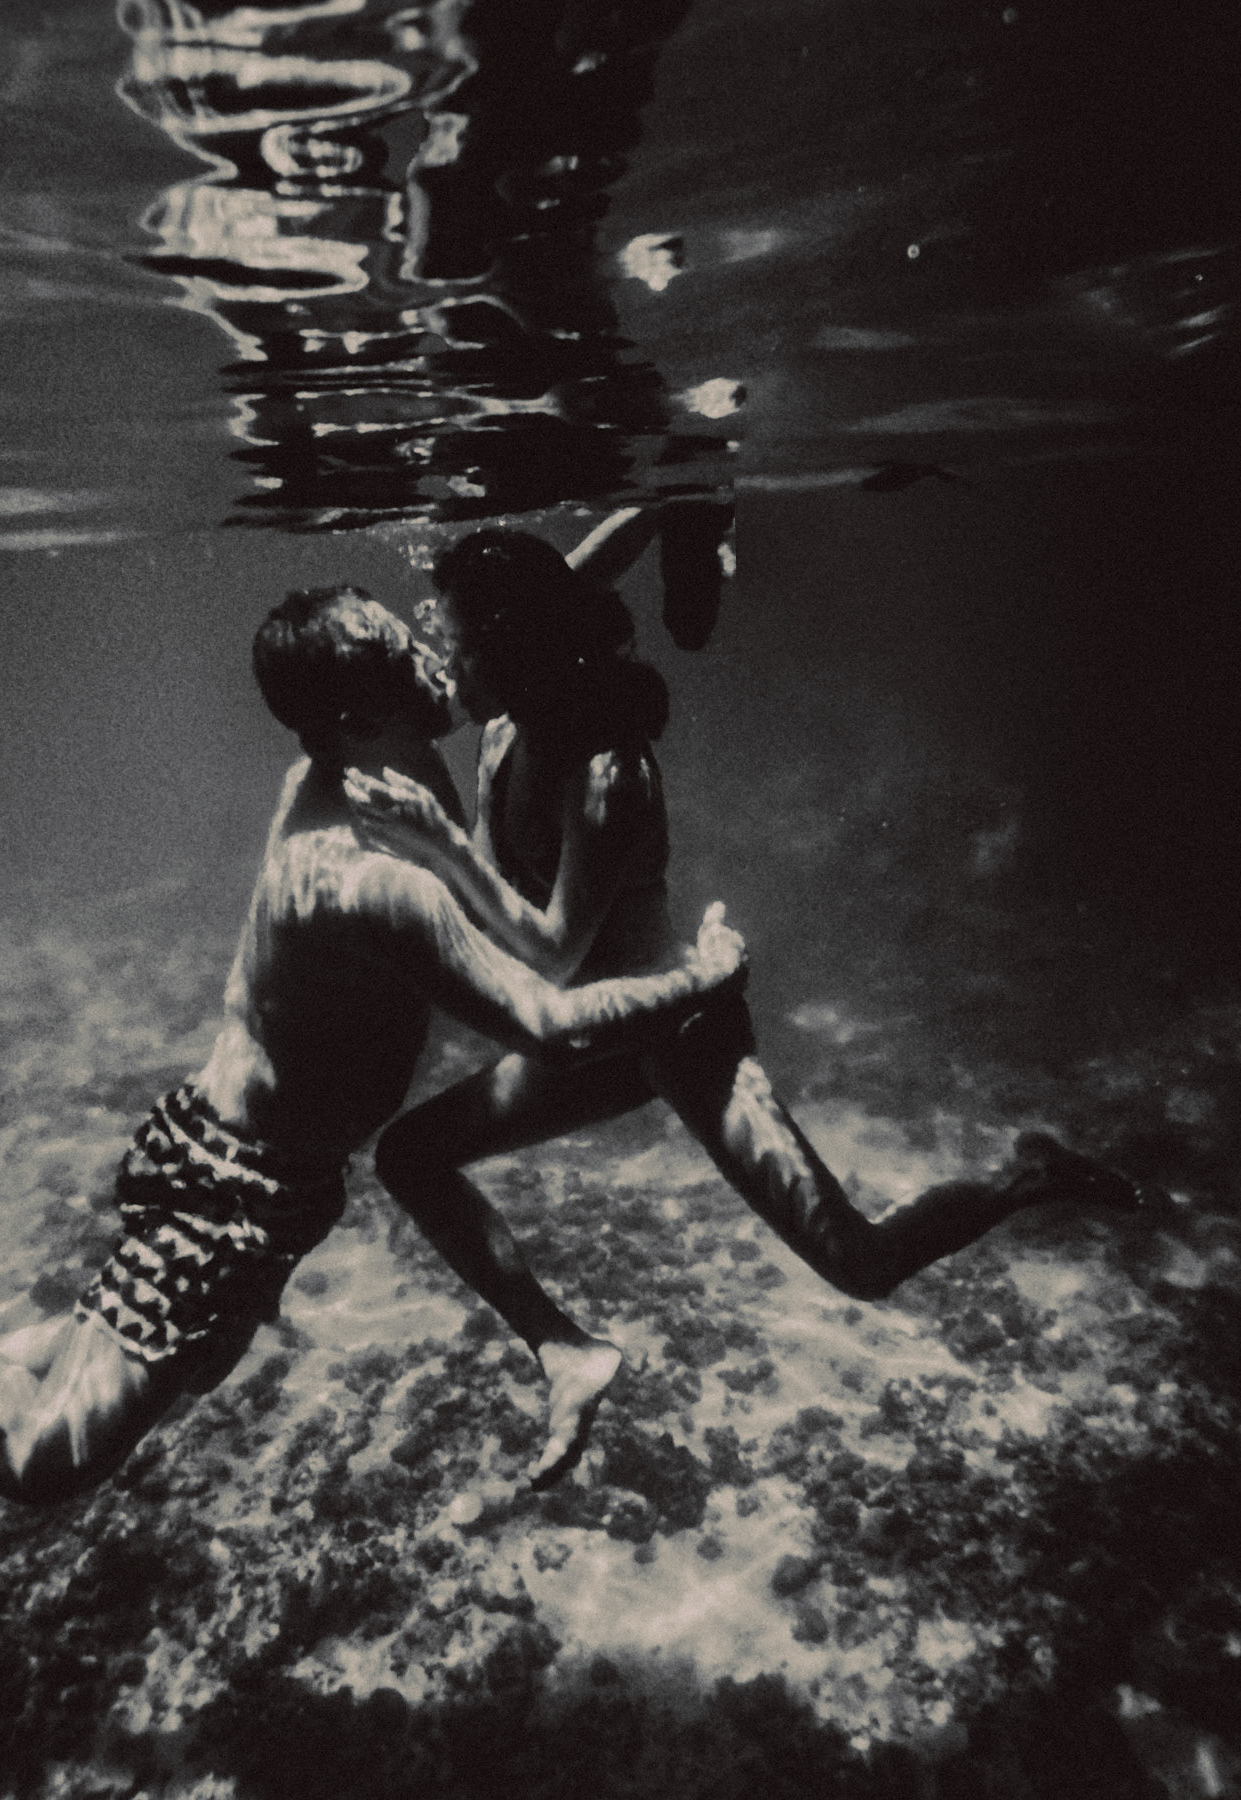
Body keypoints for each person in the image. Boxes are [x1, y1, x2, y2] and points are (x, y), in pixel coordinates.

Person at [0, 586, 746, 1506]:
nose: (441, 658)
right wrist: (703, 975)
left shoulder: (364, 761)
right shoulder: (372, 878)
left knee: (116, 1358)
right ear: (359, 714)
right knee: (51, 1453)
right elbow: (553, 1025)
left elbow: (532, 611)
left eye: (421, 633)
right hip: (231, 1183)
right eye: (408, 654)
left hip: (260, 1173)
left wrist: (655, 505)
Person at [348, 510, 1139, 1489]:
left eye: (454, 645)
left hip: (680, 1029)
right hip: (590, 1042)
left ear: (508, 648)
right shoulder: (512, 694)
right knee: (409, 1154)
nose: (440, 665)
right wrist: (672, 500)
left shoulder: (607, 774)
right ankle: (564, 1350)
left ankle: (1027, 1172)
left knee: (862, 1263)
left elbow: (552, 954)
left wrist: (436, 848)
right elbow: (574, 575)